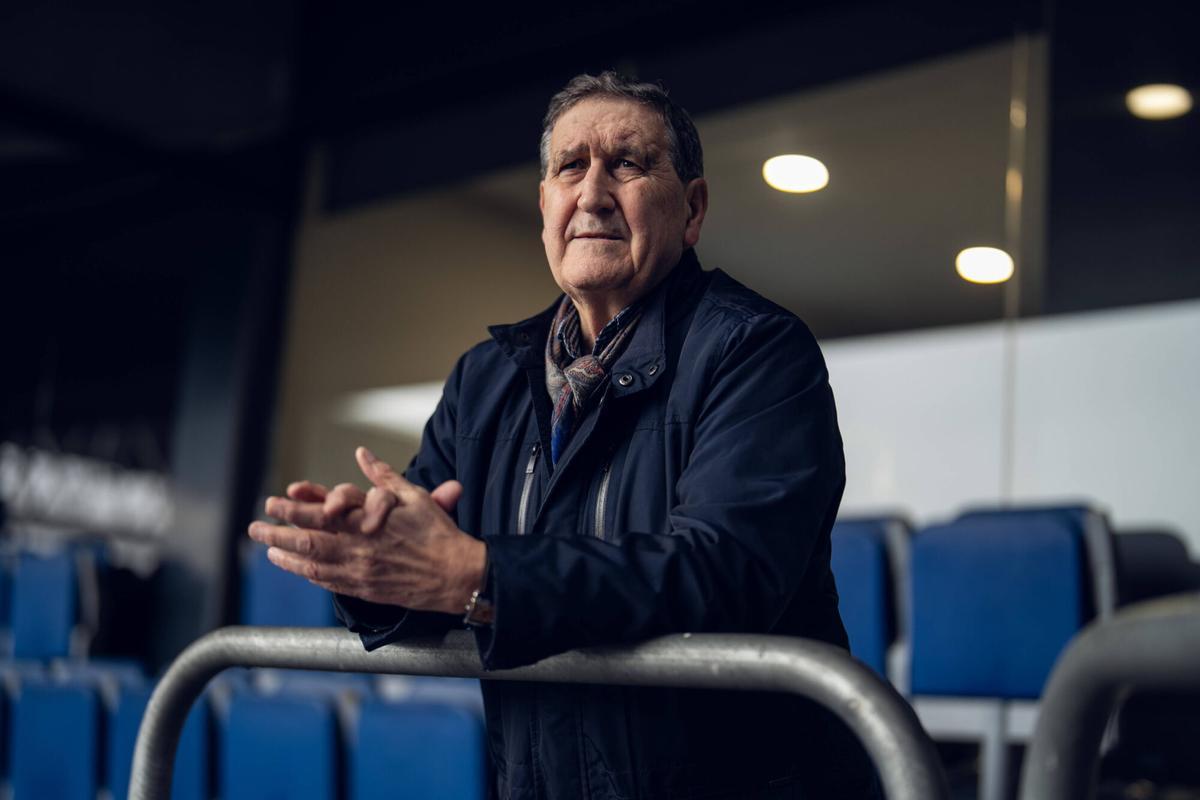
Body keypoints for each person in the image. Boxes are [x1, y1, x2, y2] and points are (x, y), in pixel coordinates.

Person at [249, 71, 879, 799]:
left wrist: (480, 579)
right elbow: (431, 568)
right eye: (570, 167)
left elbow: (724, 574)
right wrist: (370, 567)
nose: (592, 193)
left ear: (693, 209)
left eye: (629, 164)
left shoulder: (758, 351)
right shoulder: (482, 381)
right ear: (544, 204)